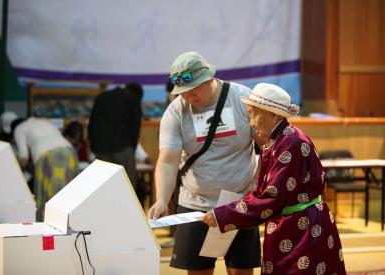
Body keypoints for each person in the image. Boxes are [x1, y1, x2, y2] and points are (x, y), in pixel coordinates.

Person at [202, 83, 346, 275]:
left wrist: (223, 216)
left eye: (254, 114)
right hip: (291, 223)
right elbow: (265, 193)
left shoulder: (291, 143)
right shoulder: (279, 140)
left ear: (273, 114)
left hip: (304, 228)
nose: (251, 123)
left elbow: (272, 198)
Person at [147, 51, 261, 275]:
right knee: (198, 272)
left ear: (209, 78)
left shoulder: (242, 98)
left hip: (240, 201)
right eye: (183, 92)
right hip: (195, 205)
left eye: (193, 90)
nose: (188, 97)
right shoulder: (176, 111)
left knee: (241, 270)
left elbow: (265, 144)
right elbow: (168, 161)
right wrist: (161, 199)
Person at [12, 117, 79, 220]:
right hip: (70, 153)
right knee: (68, 197)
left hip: (48, 158)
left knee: (46, 198)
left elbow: (23, 157)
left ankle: (48, 229)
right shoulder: (43, 122)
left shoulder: (19, 129)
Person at [88, 84, 142, 188]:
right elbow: (135, 127)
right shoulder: (133, 99)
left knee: (103, 188)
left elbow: (92, 123)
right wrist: (131, 147)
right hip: (123, 149)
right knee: (127, 188)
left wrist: (93, 146)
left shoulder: (101, 97)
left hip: (100, 149)